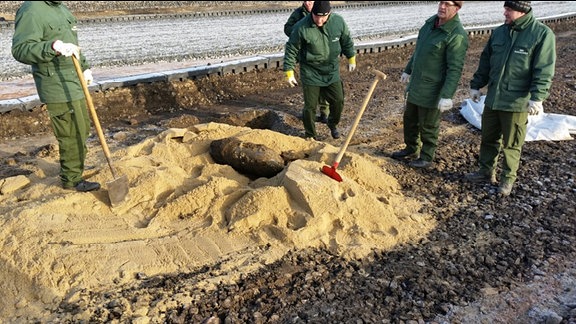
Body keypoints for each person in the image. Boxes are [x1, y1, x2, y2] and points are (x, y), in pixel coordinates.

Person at [465, 1, 556, 196]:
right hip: (494, 98)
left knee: (512, 143)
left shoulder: (541, 34)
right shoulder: (499, 33)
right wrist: (476, 85)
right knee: (488, 138)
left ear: (522, 11)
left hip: (516, 102)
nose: (504, 12)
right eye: (505, 8)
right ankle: (485, 171)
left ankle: (507, 179)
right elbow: (486, 61)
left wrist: (537, 97)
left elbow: (544, 70)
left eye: (509, 9)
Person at [12, 1, 101, 192]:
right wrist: (52, 47)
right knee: (70, 132)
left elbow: (74, 44)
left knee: (82, 128)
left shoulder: (61, 9)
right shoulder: (32, 10)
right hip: (55, 84)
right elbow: (20, 49)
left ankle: (76, 167)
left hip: (74, 80)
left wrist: (85, 68)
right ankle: (72, 179)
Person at [392, 1, 468, 169]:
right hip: (416, 84)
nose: (442, 7)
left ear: (456, 8)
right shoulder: (430, 24)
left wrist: (447, 95)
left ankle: (426, 156)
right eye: (441, 2)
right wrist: (408, 70)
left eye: (447, 4)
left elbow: (454, 69)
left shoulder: (456, 35)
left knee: (428, 124)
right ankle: (411, 148)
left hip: (433, 89)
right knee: (410, 119)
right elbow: (419, 51)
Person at [283, 1, 356, 140]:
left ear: (329, 13)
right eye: (316, 16)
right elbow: (291, 49)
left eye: (323, 17)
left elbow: (346, 40)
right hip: (311, 71)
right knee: (310, 107)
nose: (319, 20)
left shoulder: (338, 22)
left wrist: (351, 56)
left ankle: (332, 123)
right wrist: (289, 71)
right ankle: (311, 135)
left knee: (338, 101)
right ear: (312, 13)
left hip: (331, 70)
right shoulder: (301, 27)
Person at [284, 1, 330, 124]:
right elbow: (287, 28)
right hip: (306, 56)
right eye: (306, 1)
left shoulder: (324, 12)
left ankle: (325, 113)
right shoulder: (298, 13)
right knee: (310, 86)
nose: (308, 3)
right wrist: (299, 29)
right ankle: (310, 113)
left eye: (311, 1)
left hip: (322, 55)